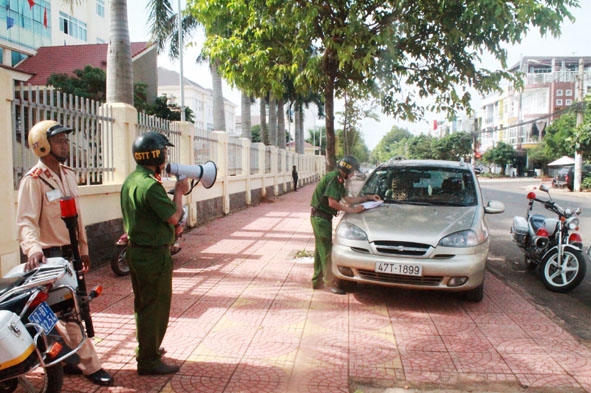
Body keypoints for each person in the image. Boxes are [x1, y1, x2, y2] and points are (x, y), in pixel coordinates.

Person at [16, 120, 114, 386]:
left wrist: (83, 251)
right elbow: (26, 221)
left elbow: (77, 219)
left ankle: (69, 358)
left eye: (65, 140)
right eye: (59, 140)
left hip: (69, 254)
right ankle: (91, 366)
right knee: (66, 313)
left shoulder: (69, 174)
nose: (65, 144)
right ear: (42, 146)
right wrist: (33, 248)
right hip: (48, 255)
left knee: (70, 310)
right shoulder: (33, 181)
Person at [120, 131, 189, 376]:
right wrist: (180, 192)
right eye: (165, 150)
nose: (167, 155)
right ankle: (149, 360)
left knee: (143, 305)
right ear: (155, 153)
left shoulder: (132, 180)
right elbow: (174, 216)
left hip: (137, 252)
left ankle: (146, 350)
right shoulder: (150, 185)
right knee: (155, 307)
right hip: (153, 256)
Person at [310, 155, 380, 294]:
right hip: (320, 218)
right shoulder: (334, 178)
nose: (354, 174)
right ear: (347, 169)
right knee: (327, 251)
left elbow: (348, 199)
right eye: (353, 171)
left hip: (323, 218)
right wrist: (352, 210)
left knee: (320, 250)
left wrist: (368, 198)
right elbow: (332, 203)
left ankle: (316, 281)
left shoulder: (339, 179)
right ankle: (329, 283)